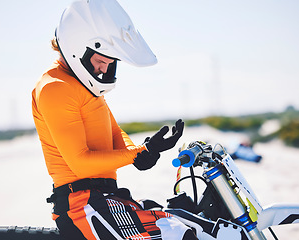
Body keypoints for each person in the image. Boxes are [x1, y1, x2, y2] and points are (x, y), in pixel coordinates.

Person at [32, 0, 198, 239]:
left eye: (111, 62)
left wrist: (144, 151)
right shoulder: (55, 88)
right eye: (101, 59)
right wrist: (135, 154)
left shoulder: (83, 87)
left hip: (103, 198)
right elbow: (79, 162)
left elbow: (114, 132)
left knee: (189, 221)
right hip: (81, 206)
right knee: (177, 234)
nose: (104, 67)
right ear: (77, 48)